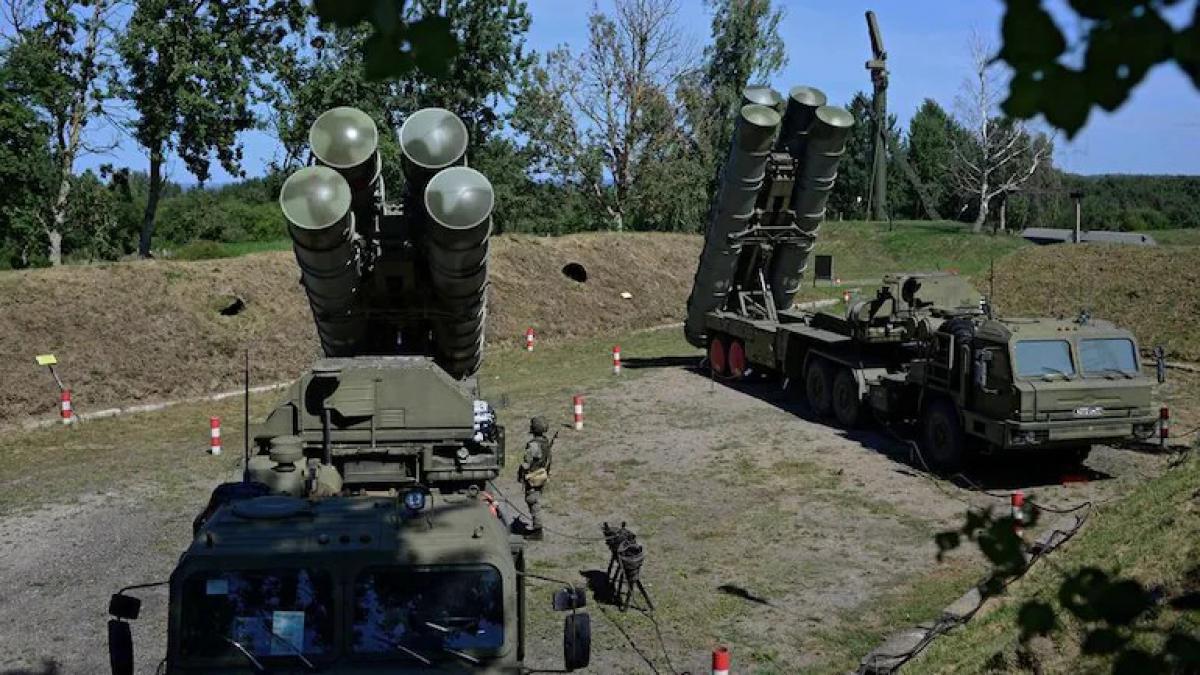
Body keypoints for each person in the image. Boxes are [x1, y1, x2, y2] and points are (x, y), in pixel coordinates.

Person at [518, 416, 553, 540]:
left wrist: (522, 472)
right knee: (535, 500)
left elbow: (526, 463)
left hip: (533, 477)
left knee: (533, 502)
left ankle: (538, 531)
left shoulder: (533, 446)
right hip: (542, 475)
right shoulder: (545, 442)